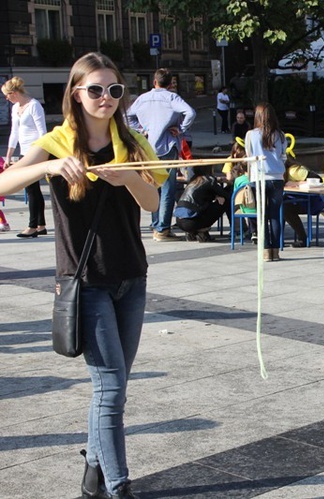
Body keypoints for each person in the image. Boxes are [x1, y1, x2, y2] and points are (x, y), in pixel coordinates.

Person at [0, 52, 165, 499]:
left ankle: (94, 467)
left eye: (114, 90)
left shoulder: (130, 142)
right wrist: (50, 166)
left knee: (115, 389)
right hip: (84, 279)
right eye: (95, 89)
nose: (106, 98)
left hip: (131, 276)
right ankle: (117, 486)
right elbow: (4, 182)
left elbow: (152, 202)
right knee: (110, 387)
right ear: (76, 93)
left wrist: (125, 179)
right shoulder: (57, 140)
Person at [127, 68, 196, 241]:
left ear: (154, 82)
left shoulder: (143, 98)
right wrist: (180, 128)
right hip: (167, 145)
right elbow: (190, 112)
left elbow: (127, 116)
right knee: (167, 187)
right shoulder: (172, 97)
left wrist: (141, 130)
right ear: (171, 83)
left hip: (148, 146)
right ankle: (163, 229)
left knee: (153, 185)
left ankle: (155, 223)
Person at [2, 76, 48, 238]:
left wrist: (41, 153)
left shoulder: (34, 105)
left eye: (7, 95)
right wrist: (8, 155)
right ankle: (41, 224)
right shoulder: (16, 108)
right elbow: (15, 132)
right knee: (34, 190)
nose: (6, 98)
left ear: (14, 93)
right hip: (23, 152)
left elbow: (43, 132)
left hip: (35, 151)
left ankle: (32, 226)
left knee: (31, 189)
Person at [245, 102, 287, 262]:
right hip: (277, 177)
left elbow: (249, 157)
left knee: (261, 215)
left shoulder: (251, 135)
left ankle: (265, 250)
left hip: (259, 177)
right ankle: (276, 250)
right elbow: (284, 156)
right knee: (275, 214)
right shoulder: (281, 135)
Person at [174, 165, 231, 242]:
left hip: (179, 220)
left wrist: (215, 196)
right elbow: (226, 195)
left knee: (206, 206)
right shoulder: (209, 180)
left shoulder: (193, 180)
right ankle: (201, 230)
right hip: (192, 221)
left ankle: (191, 232)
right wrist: (231, 183)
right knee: (225, 202)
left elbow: (201, 195)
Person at [283, 160, 324, 247]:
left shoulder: (293, 171)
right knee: (280, 206)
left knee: (285, 209)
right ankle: (277, 239)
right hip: (297, 200)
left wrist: (296, 183)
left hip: (311, 202)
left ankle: (302, 238)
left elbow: (317, 179)